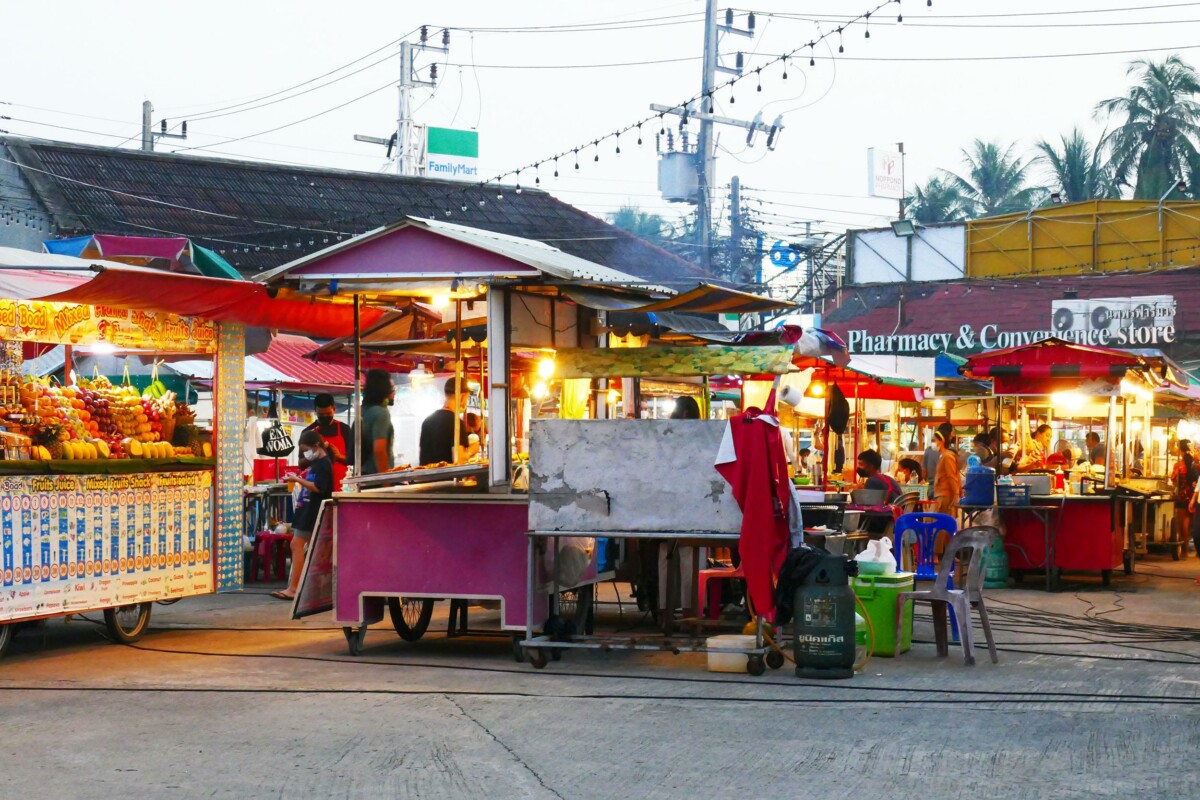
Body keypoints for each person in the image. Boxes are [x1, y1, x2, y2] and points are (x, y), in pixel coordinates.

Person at [273, 430, 334, 601]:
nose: (305, 454)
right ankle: (298, 587)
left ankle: (294, 588)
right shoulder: (316, 463)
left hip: (313, 512)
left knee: (297, 545)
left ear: (316, 446)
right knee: (300, 547)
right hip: (307, 511)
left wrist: (298, 480)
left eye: (306, 449)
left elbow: (319, 487)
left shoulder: (324, 464)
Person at [299, 393, 353, 491]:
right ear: (315, 410)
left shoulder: (345, 429)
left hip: (341, 488)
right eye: (321, 415)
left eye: (328, 414)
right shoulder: (308, 432)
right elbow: (301, 465)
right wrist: (314, 454)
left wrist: (339, 456)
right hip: (317, 488)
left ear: (334, 409)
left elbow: (354, 461)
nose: (325, 417)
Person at [419, 377, 471, 466]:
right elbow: (459, 460)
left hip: (426, 478)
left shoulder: (427, 421)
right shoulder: (457, 423)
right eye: (467, 398)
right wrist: (471, 451)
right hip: (448, 479)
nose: (466, 402)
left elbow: (423, 455)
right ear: (462, 397)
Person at [359, 369, 395, 475]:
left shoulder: (363, 410)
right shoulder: (381, 413)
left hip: (364, 474)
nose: (394, 392)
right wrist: (386, 483)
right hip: (376, 477)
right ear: (384, 389)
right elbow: (379, 450)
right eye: (391, 388)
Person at [1172, 441, 1198, 557]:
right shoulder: (1196, 463)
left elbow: (1173, 480)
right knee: (1196, 523)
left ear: (1181, 451)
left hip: (1183, 496)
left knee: (1183, 524)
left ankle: (1185, 551)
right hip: (1195, 496)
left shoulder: (1179, 465)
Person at [933, 422, 962, 517]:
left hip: (946, 496)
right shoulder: (943, 456)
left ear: (942, 441)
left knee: (943, 528)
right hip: (942, 495)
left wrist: (956, 495)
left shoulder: (947, 457)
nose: (933, 443)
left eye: (935, 440)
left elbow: (951, 476)